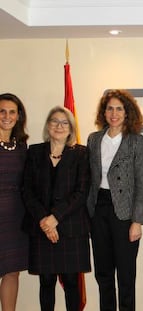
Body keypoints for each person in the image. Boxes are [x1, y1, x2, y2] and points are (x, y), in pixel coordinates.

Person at [23, 106, 91, 311]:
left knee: (71, 283)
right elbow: (26, 190)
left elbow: (81, 192)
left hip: (71, 229)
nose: (59, 126)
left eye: (64, 122)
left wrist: (55, 218)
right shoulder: (34, 152)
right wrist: (45, 220)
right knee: (46, 283)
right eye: (54, 121)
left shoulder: (81, 154)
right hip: (41, 228)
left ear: (71, 128)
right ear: (47, 125)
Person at [87, 89, 143, 311]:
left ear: (127, 112)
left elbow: (142, 183)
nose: (114, 113)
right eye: (110, 108)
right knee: (103, 273)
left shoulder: (136, 142)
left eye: (119, 109)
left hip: (124, 213)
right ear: (104, 112)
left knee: (126, 274)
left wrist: (137, 221)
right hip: (98, 209)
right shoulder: (94, 139)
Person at [0, 93, 29, 311]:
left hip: (14, 216)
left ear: (18, 116)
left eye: (11, 112)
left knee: (11, 271)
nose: (6, 116)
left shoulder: (21, 147)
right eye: (2, 111)